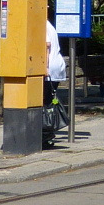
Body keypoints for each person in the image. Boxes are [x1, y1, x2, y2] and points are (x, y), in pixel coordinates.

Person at [43, 18, 68, 147]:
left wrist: (45, 67)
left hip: (50, 68)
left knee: (45, 103)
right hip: (57, 66)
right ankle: (48, 134)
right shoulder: (49, 25)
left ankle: (46, 134)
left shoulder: (41, 24)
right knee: (49, 102)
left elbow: (46, 45)